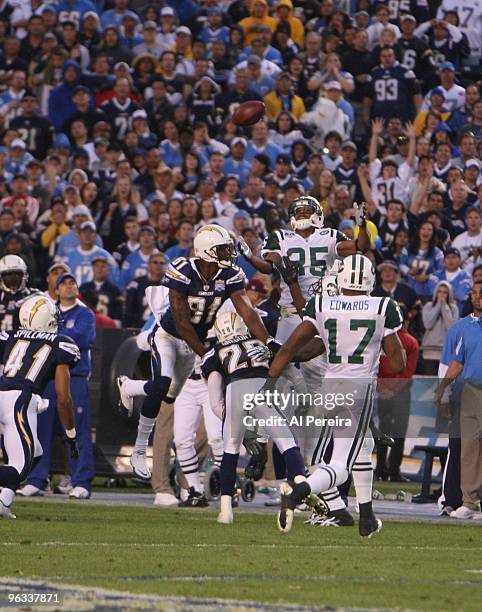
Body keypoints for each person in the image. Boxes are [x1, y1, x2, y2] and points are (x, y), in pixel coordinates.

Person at [117, 224, 277, 480]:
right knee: (162, 386)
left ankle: (131, 387)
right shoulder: (182, 270)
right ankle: (138, 449)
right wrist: (204, 352)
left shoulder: (231, 274)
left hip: (195, 343)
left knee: (168, 394)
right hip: (170, 336)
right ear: (206, 251)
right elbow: (181, 320)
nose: (228, 253)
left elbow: (247, 311)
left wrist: (268, 341)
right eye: (222, 249)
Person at [265, 254, 406, 537]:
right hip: (359, 388)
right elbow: (399, 363)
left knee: (362, 447)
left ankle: (366, 517)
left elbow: (290, 347)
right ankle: (297, 491)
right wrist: (380, 344)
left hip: (330, 387)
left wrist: (269, 384)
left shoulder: (322, 304)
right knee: (341, 464)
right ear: (370, 278)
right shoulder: (383, 306)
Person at [201, 310, 309, 524]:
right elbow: (290, 371)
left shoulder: (215, 352)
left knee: (230, 451)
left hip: (235, 391)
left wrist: (234, 421)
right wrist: (303, 397)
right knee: (287, 444)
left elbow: (215, 401)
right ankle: (300, 492)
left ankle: (225, 510)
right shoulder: (261, 342)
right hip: (262, 389)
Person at [0, 295, 80, 519]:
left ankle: (3, 501)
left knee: (35, 451)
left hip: (4, 393)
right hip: (19, 400)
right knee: (19, 467)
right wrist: (71, 434)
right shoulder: (60, 343)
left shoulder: (10, 335)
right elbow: (63, 398)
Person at [19, 273, 96, 499]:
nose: (69, 286)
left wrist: (50, 334)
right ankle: (37, 479)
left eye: (72, 282)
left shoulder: (85, 314)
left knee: (78, 430)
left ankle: (81, 481)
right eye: (64, 283)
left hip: (76, 377)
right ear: (56, 289)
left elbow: (79, 340)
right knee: (41, 429)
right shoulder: (48, 310)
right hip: (47, 378)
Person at [435, 286, 482, 520]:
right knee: (469, 449)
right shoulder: (468, 328)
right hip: (470, 390)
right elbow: (458, 361)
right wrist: (442, 387)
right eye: (475, 292)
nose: (478, 296)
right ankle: (471, 503)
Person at [375, 305, 419, 482]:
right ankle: (393, 470)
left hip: (386, 391)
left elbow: (374, 368)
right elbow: (407, 373)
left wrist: (383, 389)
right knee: (398, 432)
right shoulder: (410, 341)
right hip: (399, 392)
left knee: (384, 431)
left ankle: (380, 470)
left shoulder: (380, 338)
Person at [421, 280, 459, 374]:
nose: (442, 294)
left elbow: (451, 328)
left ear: (449, 294)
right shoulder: (428, 306)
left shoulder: (453, 308)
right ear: (435, 293)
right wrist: (438, 305)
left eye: (445, 292)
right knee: (429, 384)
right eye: (439, 291)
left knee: (444, 384)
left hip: (446, 353)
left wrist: (444, 306)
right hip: (429, 352)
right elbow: (428, 324)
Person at [0, 254, 37, 331]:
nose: (13, 279)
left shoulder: (35, 297)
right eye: (8, 275)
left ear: (25, 276)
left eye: (17, 274)